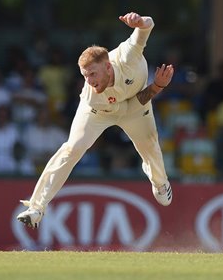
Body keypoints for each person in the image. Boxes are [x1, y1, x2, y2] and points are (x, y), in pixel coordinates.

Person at [17, 12, 174, 229]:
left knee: (150, 145)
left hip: (135, 105)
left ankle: (160, 183)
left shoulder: (127, 56)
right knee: (72, 149)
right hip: (99, 111)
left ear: (108, 66)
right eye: (84, 76)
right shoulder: (92, 94)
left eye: (92, 74)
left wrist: (139, 21)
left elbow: (149, 24)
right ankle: (36, 207)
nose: (89, 81)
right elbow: (124, 108)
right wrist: (156, 87)